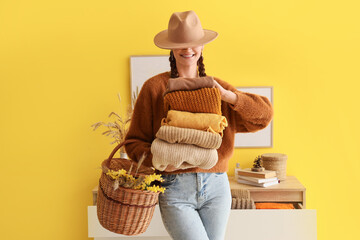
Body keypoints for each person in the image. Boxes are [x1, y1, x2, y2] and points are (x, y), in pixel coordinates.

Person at [124, 10, 274, 240]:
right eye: (180, 44)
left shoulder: (217, 89)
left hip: (217, 187)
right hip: (174, 187)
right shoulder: (154, 88)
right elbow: (133, 143)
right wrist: (162, 160)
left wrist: (229, 97)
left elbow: (264, 116)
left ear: (202, 46)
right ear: (171, 49)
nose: (187, 49)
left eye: (193, 43)